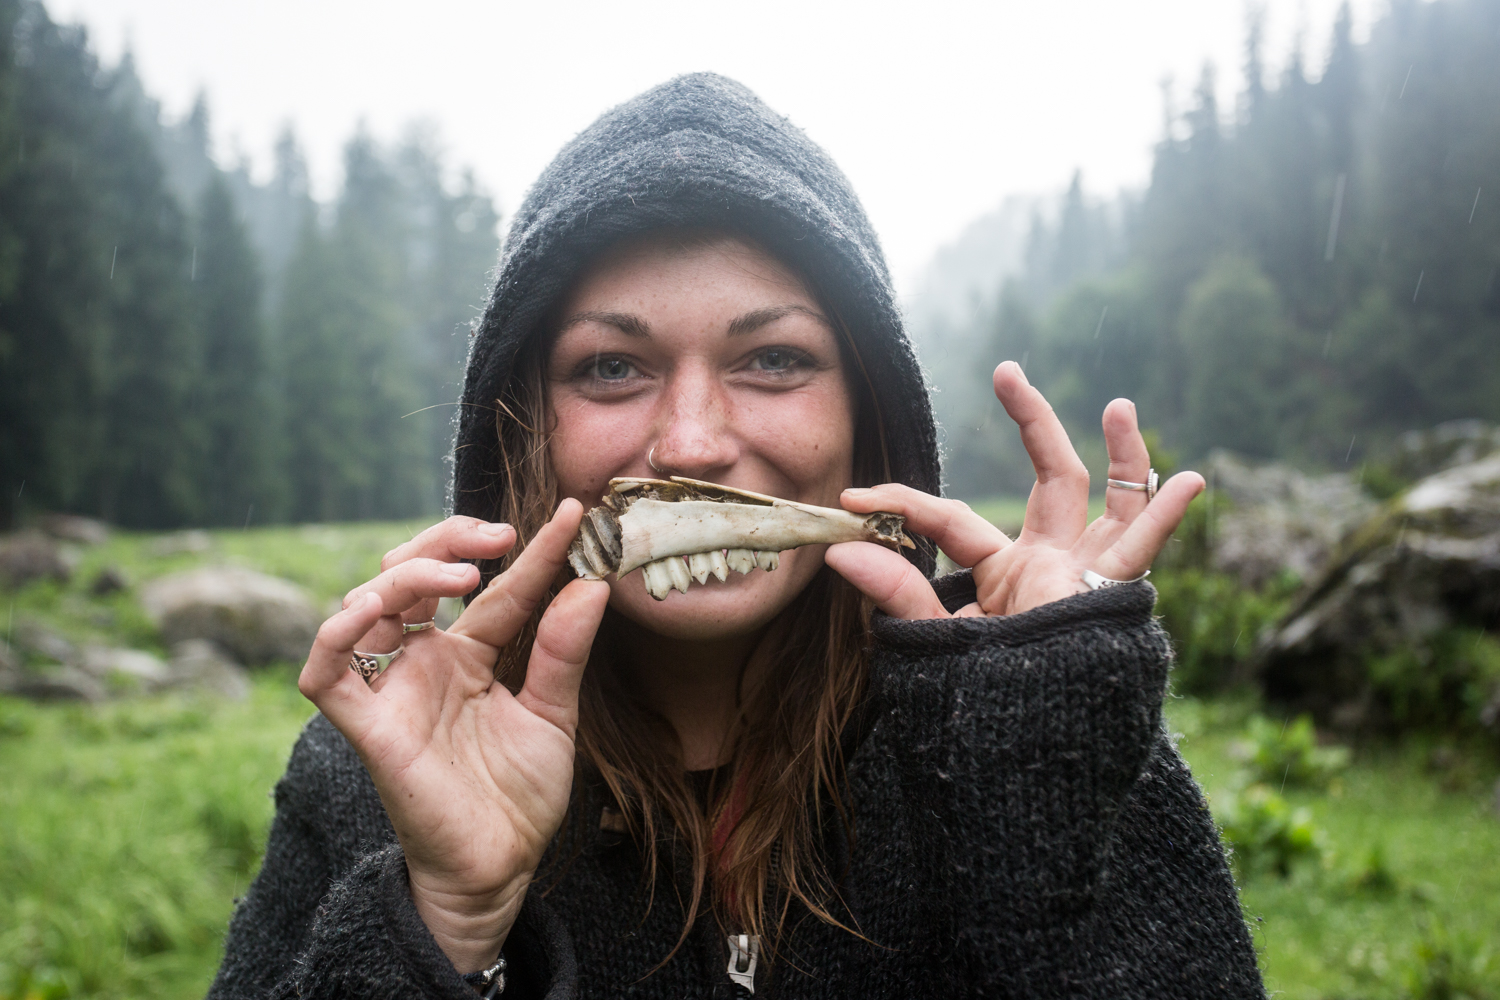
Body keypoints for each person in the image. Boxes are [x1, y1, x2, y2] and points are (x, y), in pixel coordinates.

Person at [208, 74, 1264, 999]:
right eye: (611, 367)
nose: (693, 442)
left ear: (867, 416)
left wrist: (1038, 766)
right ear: (523, 426)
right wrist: (442, 920)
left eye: (774, 360)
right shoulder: (383, 772)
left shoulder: (1028, 717)